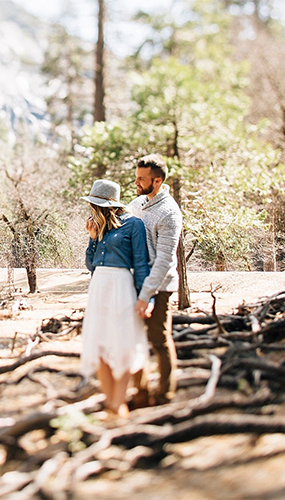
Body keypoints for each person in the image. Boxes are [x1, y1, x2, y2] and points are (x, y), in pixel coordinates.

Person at [80, 179, 151, 416]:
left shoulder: (134, 225)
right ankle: (110, 404)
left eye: (95, 205)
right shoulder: (99, 227)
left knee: (122, 344)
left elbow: (141, 264)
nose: (92, 210)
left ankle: (118, 403)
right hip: (99, 286)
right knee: (99, 346)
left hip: (121, 286)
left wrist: (146, 297)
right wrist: (92, 238)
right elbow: (91, 265)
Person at [128, 154, 183, 407]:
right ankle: (140, 393)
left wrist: (146, 294)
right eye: (136, 177)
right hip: (137, 280)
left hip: (160, 285)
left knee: (159, 339)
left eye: (142, 179)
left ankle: (164, 394)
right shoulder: (139, 203)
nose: (136, 182)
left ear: (158, 181)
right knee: (134, 337)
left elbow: (164, 261)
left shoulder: (169, 212)